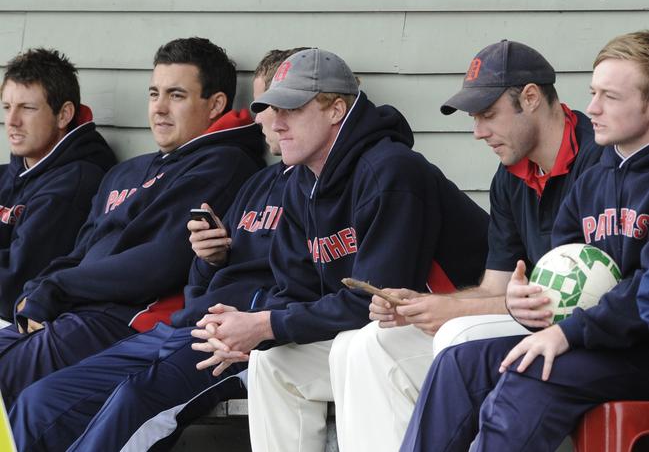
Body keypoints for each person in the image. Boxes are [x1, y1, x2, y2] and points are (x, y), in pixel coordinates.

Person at [190, 48, 490, 452]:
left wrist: (264, 325)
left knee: (363, 347)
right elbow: (294, 294)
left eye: (290, 109)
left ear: (335, 109)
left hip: (462, 331)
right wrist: (248, 331)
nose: (275, 124)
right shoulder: (301, 183)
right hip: (393, 339)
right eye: (271, 109)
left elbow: (377, 300)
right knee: (273, 363)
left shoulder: (391, 170)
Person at [9, 48, 306, 452]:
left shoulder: (228, 166)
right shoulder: (134, 172)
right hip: (173, 325)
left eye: (177, 95)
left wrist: (54, 290)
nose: (160, 109)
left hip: (136, 320)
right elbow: (201, 272)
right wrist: (40, 289)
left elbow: (162, 264)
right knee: (38, 402)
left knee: (118, 398)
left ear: (216, 104)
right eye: (154, 94)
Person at [327, 39, 604, 452]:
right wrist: (422, 304)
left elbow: (577, 298)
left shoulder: (600, 158)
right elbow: (496, 288)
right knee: (361, 344)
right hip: (528, 321)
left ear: (530, 98)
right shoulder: (510, 175)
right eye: (475, 118)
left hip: (582, 331)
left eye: (488, 115)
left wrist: (452, 308)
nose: (478, 132)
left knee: (457, 333)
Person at [401, 30, 649, 452]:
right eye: (593, 92)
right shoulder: (595, 180)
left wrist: (569, 333)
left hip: (637, 346)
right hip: (601, 340)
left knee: (530, 368)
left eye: (611, 97)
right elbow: (562, 265)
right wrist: (527, 300)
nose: (592, 108)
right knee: (459, 364)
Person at [0, 48, 116, 323]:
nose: (12, 121)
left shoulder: (75, 183)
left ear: (64, 115)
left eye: (27, 108)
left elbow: (17, 279)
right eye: (6, 107)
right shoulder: (12, 172)